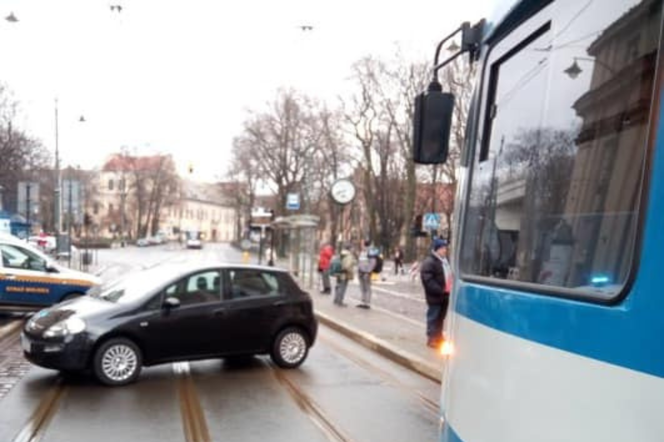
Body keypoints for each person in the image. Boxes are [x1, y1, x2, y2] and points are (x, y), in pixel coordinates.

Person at [420, 238, 453, 348]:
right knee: (433, 317)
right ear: (437, 249)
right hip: (435, 296)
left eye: (445, 248)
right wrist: (440, 290)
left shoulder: (445, 261)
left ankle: (439, 337)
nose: (445, 250)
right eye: (443, 248)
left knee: (441, 317)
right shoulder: (430, 262)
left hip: (445, 295)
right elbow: (428, 280)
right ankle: (432, 338)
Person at [356, 240, 377, 309]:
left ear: (365, 245)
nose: (361, 245)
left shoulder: (371, 252)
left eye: (362, 244)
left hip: (366, 273)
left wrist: (368, 272)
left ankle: (367, 303)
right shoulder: (363, 252)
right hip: (361, 272)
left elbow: (372, 263)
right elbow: (360, 261)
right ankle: (363, 302)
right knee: (362, 288)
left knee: (367, 287)